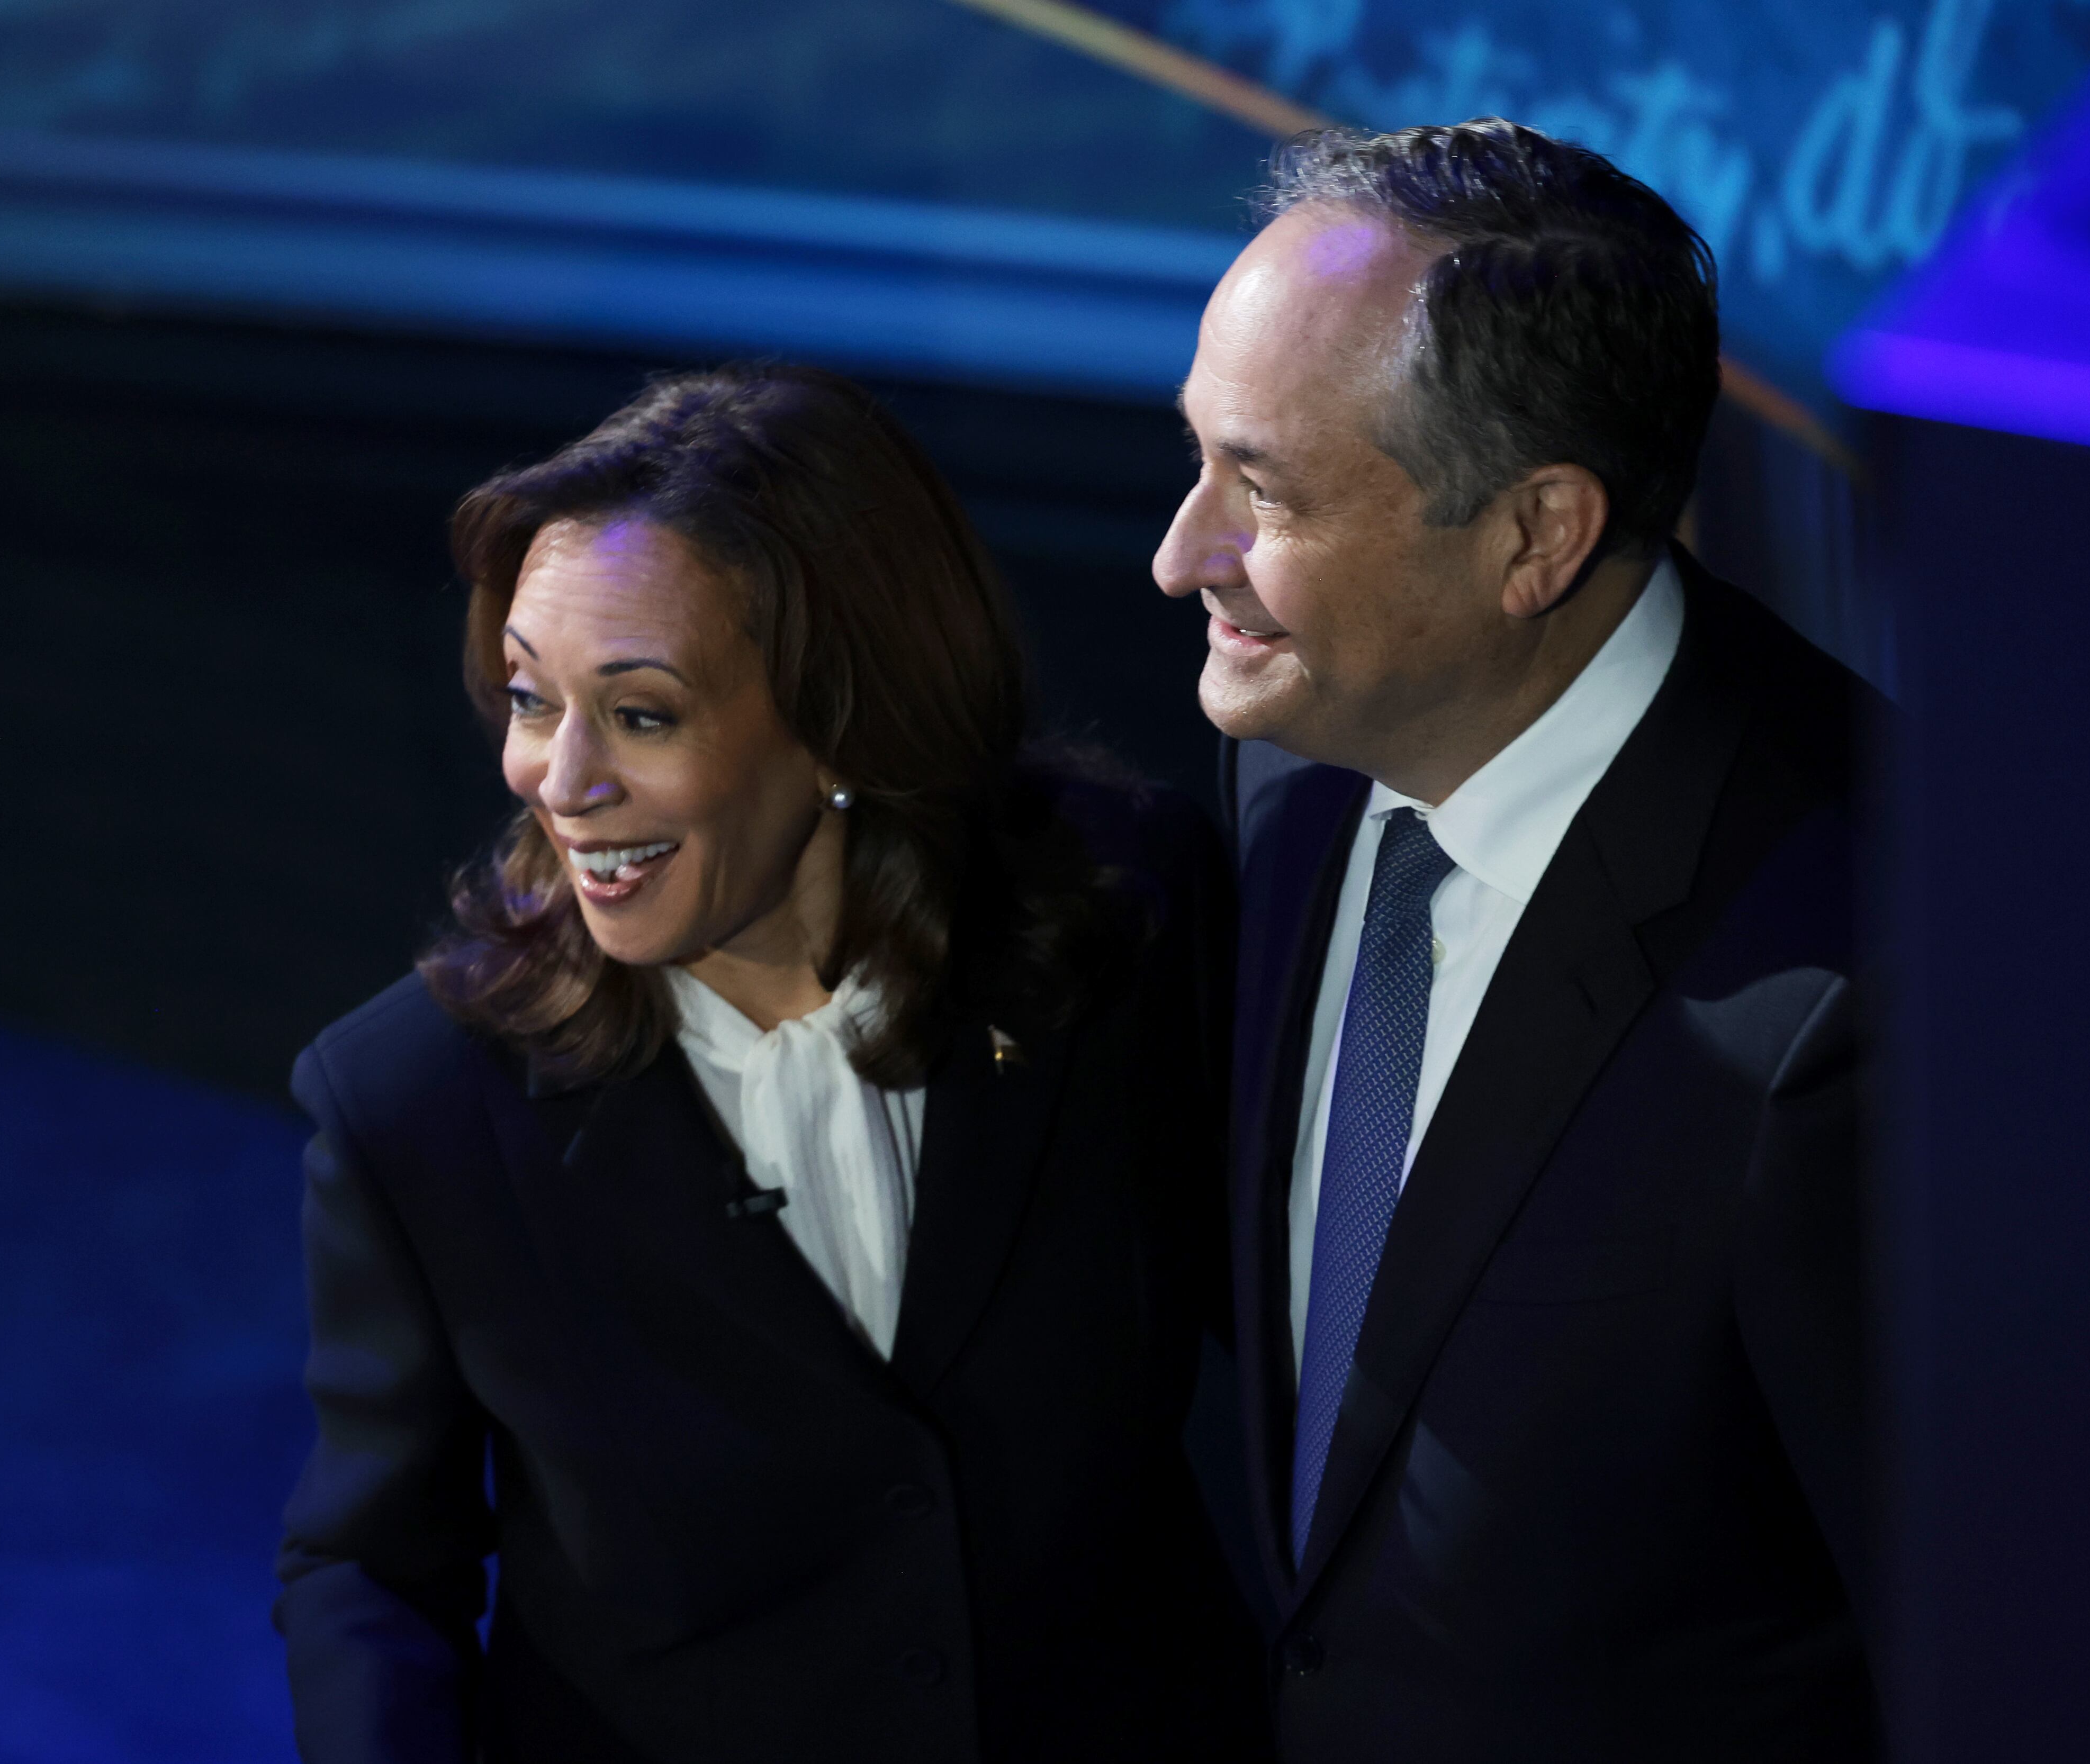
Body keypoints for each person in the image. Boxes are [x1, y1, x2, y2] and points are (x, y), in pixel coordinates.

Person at [275, 364, 1269, 1762]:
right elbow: (369, 1572)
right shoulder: (415, 1106)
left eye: (643, 712)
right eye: (530, 699)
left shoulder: (1124, 921)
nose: (559, 783)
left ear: (846, 720)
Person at [1155, 121, 1882, 1758]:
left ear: (1537, 537)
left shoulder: (1856, 992)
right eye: (1194, 458)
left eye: (1259, 491)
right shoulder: (1290, 748)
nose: (1180, 555)